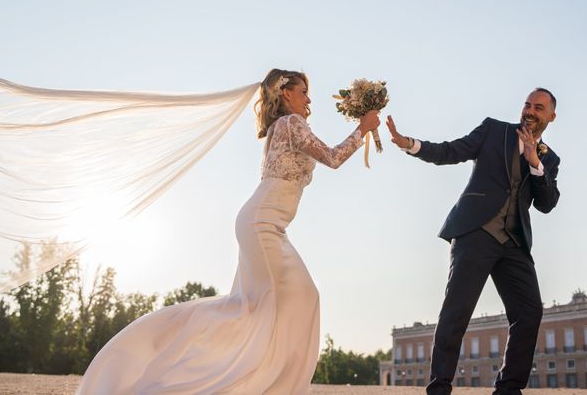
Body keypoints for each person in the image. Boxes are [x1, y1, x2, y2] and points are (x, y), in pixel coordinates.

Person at [76, 68, 380, 394]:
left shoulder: (285, 126)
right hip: (262, 224)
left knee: (265, 307)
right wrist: (362, 128)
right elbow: (332, 158)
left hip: (267, 224)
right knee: (284, 301)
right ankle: (237, 379)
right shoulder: (291, 124)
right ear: (285, 93)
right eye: (303, 91)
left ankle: (260, 381)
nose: (309, 98)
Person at [385, 88, 560, 395]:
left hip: (513, 242)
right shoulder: (495, 131)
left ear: (550, 116)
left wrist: (535, 162)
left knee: (529, 311)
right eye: (527, 104)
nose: (530, 111)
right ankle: (439, 387)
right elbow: (450, 151)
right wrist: (409, 144)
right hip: (475, 232)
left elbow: (546, 203)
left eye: (539, 107)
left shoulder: (550, 158)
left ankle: (508, 388)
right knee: (457, 310)